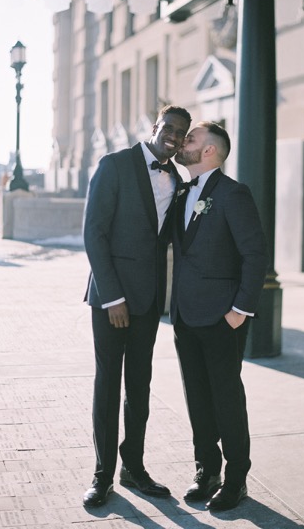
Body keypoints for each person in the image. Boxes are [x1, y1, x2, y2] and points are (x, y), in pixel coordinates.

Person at [82, 104, 191, 507]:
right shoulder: (114, 165)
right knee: (108, 385)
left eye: (181, 133)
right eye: (169, 128)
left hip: (148, 302)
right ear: (154, 127)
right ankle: (101, 475)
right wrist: (113, 297)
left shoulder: (177, 178)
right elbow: (94, 233)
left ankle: (134, 467)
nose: (174, 136)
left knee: (140, 388)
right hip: (110, 299)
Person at [170, 121, 269, 512]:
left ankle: (236, 479)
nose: (183, 142)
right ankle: (207, 470)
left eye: (190, 138)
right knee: (196, 397)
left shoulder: (233, 194)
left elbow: (255, 254)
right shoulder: (180, 193)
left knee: (226, 399)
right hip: (185, 316)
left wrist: (240, 311)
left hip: (222, 318)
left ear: (209, 150)